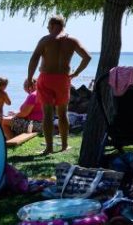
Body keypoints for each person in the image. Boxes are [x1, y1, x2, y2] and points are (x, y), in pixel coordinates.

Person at [24, 14, 92, 155]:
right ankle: (64, 146)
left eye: (48, 26)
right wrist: (76, 73)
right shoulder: (72, 40)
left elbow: (34, 59)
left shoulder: (45, 40)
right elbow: (87, 57)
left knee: (47, 114)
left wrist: (30, 78)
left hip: (46, 78)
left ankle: (49, 148)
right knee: (62, 113)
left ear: (53, 25)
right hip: (63, 79)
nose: (48, 29)